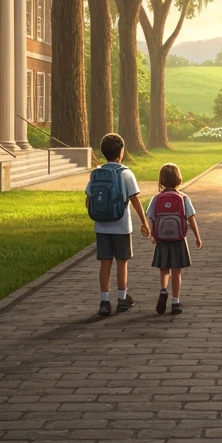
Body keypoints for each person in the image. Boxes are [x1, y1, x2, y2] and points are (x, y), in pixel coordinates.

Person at [87, 132, 150, 318]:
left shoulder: (96, 173)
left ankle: (104, 301)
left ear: (103, 152)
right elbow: (135, 199)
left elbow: (88, 199)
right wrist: (144, 223)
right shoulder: (126, 173)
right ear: (121, 152)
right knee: (122, 263)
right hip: (122, 226)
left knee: (105, 263)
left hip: (101, 226)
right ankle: (122, 298)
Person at [146, 162, 202, 316]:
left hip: (162, 240)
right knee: (176, 272)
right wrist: (197, 237)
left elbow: (149, 217)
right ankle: (176, 302)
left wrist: (152, 233)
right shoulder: (183, 198)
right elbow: (191, 218)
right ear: (179, 179)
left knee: (164, 270)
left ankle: (163, 290)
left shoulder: (156, 198)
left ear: (161, 180)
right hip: (178, 240)